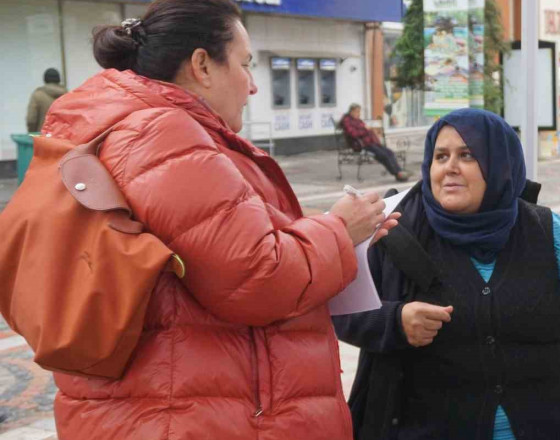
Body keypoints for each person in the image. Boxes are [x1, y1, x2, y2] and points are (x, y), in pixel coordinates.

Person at [39, 0, 399, 438]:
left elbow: (220, 247)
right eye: (245, 64)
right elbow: (257, 278)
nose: (252, 87)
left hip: (172, 405)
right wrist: (339, 231)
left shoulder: (129, 126)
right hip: (189, 415)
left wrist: (335, 233)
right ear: (202, 66)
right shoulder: (162, 134)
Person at [333, 108, 560, 440]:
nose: (450, 167)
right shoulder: (393, 229)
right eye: (441, 157)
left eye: (467, 155)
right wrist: (396, 321)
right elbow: (341, 313)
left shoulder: (545, 230)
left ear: (499, 163)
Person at [340, 103, 411, 182]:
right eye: (357, 112)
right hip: (360, 144)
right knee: (383, 155)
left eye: (359, 112)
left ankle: (399, 171)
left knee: (389, 152)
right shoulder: (347, 121)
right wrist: (366, 129)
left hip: (370, 142)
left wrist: (370, 131)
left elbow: (365, 130)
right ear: (351, 111)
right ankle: (398, 173)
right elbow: (353, 134)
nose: (359, 114)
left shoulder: (357, 120)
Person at [26, 68, 66, 133]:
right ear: (59, 79)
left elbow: (31, 120)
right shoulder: (67, 95)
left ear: (45, 79)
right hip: (62, 138)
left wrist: (32, 133)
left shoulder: (37, 95)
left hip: (43, 137)